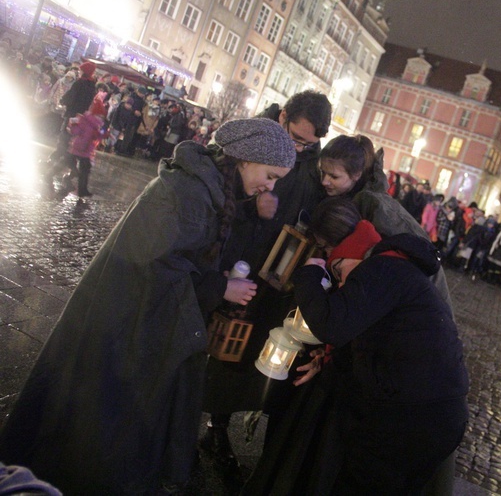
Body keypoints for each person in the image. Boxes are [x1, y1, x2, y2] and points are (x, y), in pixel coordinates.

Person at [0, 118, 296, 494]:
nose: (270, 187)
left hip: (126, 326)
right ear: (243, 158)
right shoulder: (188, 192)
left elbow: (174, 259)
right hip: (121, 330)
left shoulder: (204, 188)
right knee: (96, 427)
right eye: (270, 175)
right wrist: (219, 286)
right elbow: (151, 268)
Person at [290, 198, 469, 493]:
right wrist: (327, 361)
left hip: (415, 419)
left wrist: (308, 275)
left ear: (336, 251)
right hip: (430, 414)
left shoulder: (380, 270)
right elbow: (367, 340)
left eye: (326, 254)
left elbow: (333, 325)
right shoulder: (389, 265)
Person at [201, 90, 332, 468]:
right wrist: (252, 205)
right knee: (214, 335)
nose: (302, 148)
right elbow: (220, 190)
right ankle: (187, 410)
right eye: (297, 138)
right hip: (238, 259)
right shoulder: (252, 138)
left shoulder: (310, 163)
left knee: (247, 346)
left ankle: (218, 424)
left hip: (277, 274)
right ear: (284, 115)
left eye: (310, 143)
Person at [317, 134, 453, 308]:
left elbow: (379, 265)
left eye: (333, 176)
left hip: (423, 300)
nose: (324, 181)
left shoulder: (373, 206)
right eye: (323, 172)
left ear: (356, 175)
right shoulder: (358, 198)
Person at [58, 95, 108, 199]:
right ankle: (79, 187)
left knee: (84, 170)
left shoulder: (94, 123)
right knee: (81, 169)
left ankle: (82, 190)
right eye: (101, 116)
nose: (102, 118)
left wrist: (104, 133)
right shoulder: (87, 121)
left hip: (84, 149)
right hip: (80, 148)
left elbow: (97, 135)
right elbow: (76, 131)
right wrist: (73, 126)